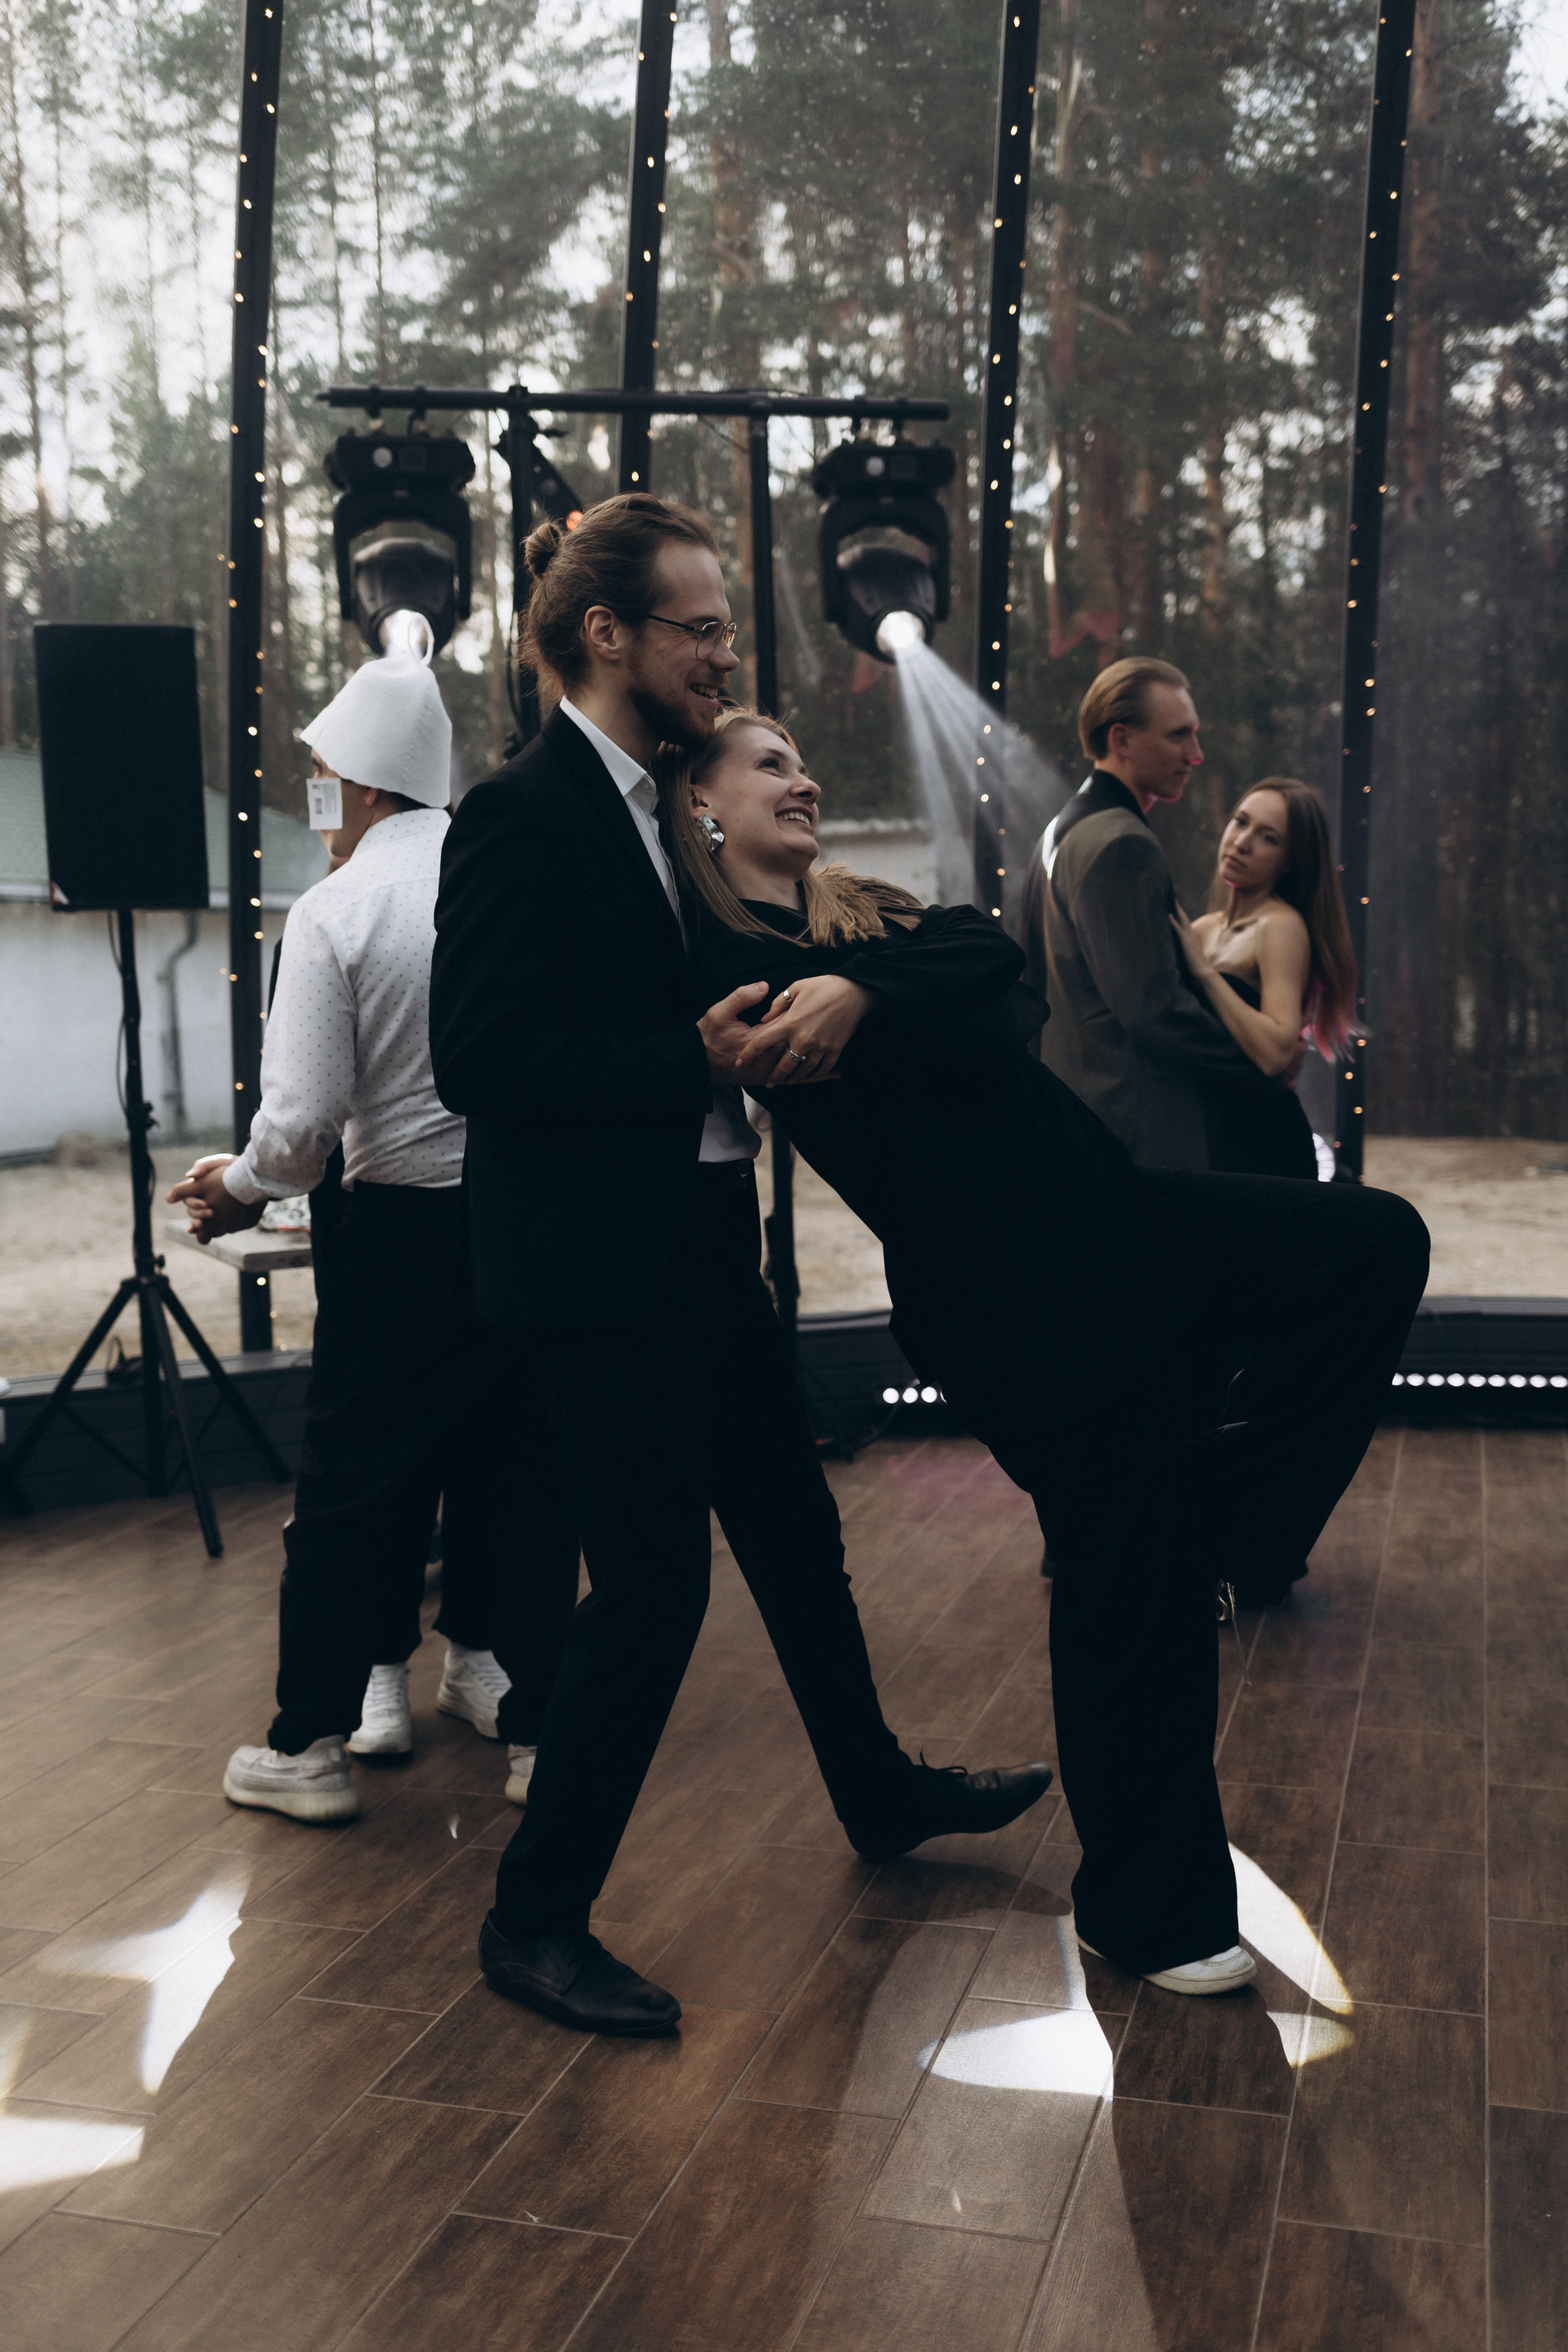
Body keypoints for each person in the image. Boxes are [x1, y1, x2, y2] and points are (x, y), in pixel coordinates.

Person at [679, 706, 1429, 1996]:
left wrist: (864, 988)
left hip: (1119, 1219)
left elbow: (1000, 970)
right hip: (1008, 1295)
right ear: (701, 806)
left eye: (804, 761)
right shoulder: (729, 965)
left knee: (1373, 1244)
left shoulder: (861, 924)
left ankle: (1234, 1518)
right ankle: (1146, 1910)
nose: (804, 781)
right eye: (770, 765)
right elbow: (971, 1014)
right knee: (1122, 1575)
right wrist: (883, 996)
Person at [428, 492, 1053, 2040]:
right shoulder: (520, 812)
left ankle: (877, 1793)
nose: (722, 653)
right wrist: (682, 1060)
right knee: (652, 1595)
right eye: (699, 628)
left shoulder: (664, 811)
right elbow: (476, 1058)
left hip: (701, 1247)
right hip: (595, 1280)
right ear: (607, 634)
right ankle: (532, 1919)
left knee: (793, 1535)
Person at [169, 650, 580, 1824]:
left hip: (395, 1239)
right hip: (525, 1224)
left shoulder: (337, 909)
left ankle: (309, 1743)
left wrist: (237, 1185)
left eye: (316, 773)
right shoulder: (515, 877)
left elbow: (302, 1130)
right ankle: (533, 1729)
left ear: (352, 782)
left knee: (356, 1486)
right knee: (524, 1467)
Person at [1024, 657, 1289, 1171]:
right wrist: (1257, 1069)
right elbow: (1155, 1011)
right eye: (1178, 736)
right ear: (1121, 740)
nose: (1196, 754)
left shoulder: (1056, 833)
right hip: (1135, 1132)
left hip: (1076, 1119)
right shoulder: (1122, 844)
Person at [1169, 778, 1355, 1180]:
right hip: (1211, 1136)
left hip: (1262, 1142)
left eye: (1268, 838)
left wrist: (1205, 973)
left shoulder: (1279, 926)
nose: (1241, 842)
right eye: (1240, 822)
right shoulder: (1201, 929)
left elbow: (1274, 1053)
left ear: (1290, 861)